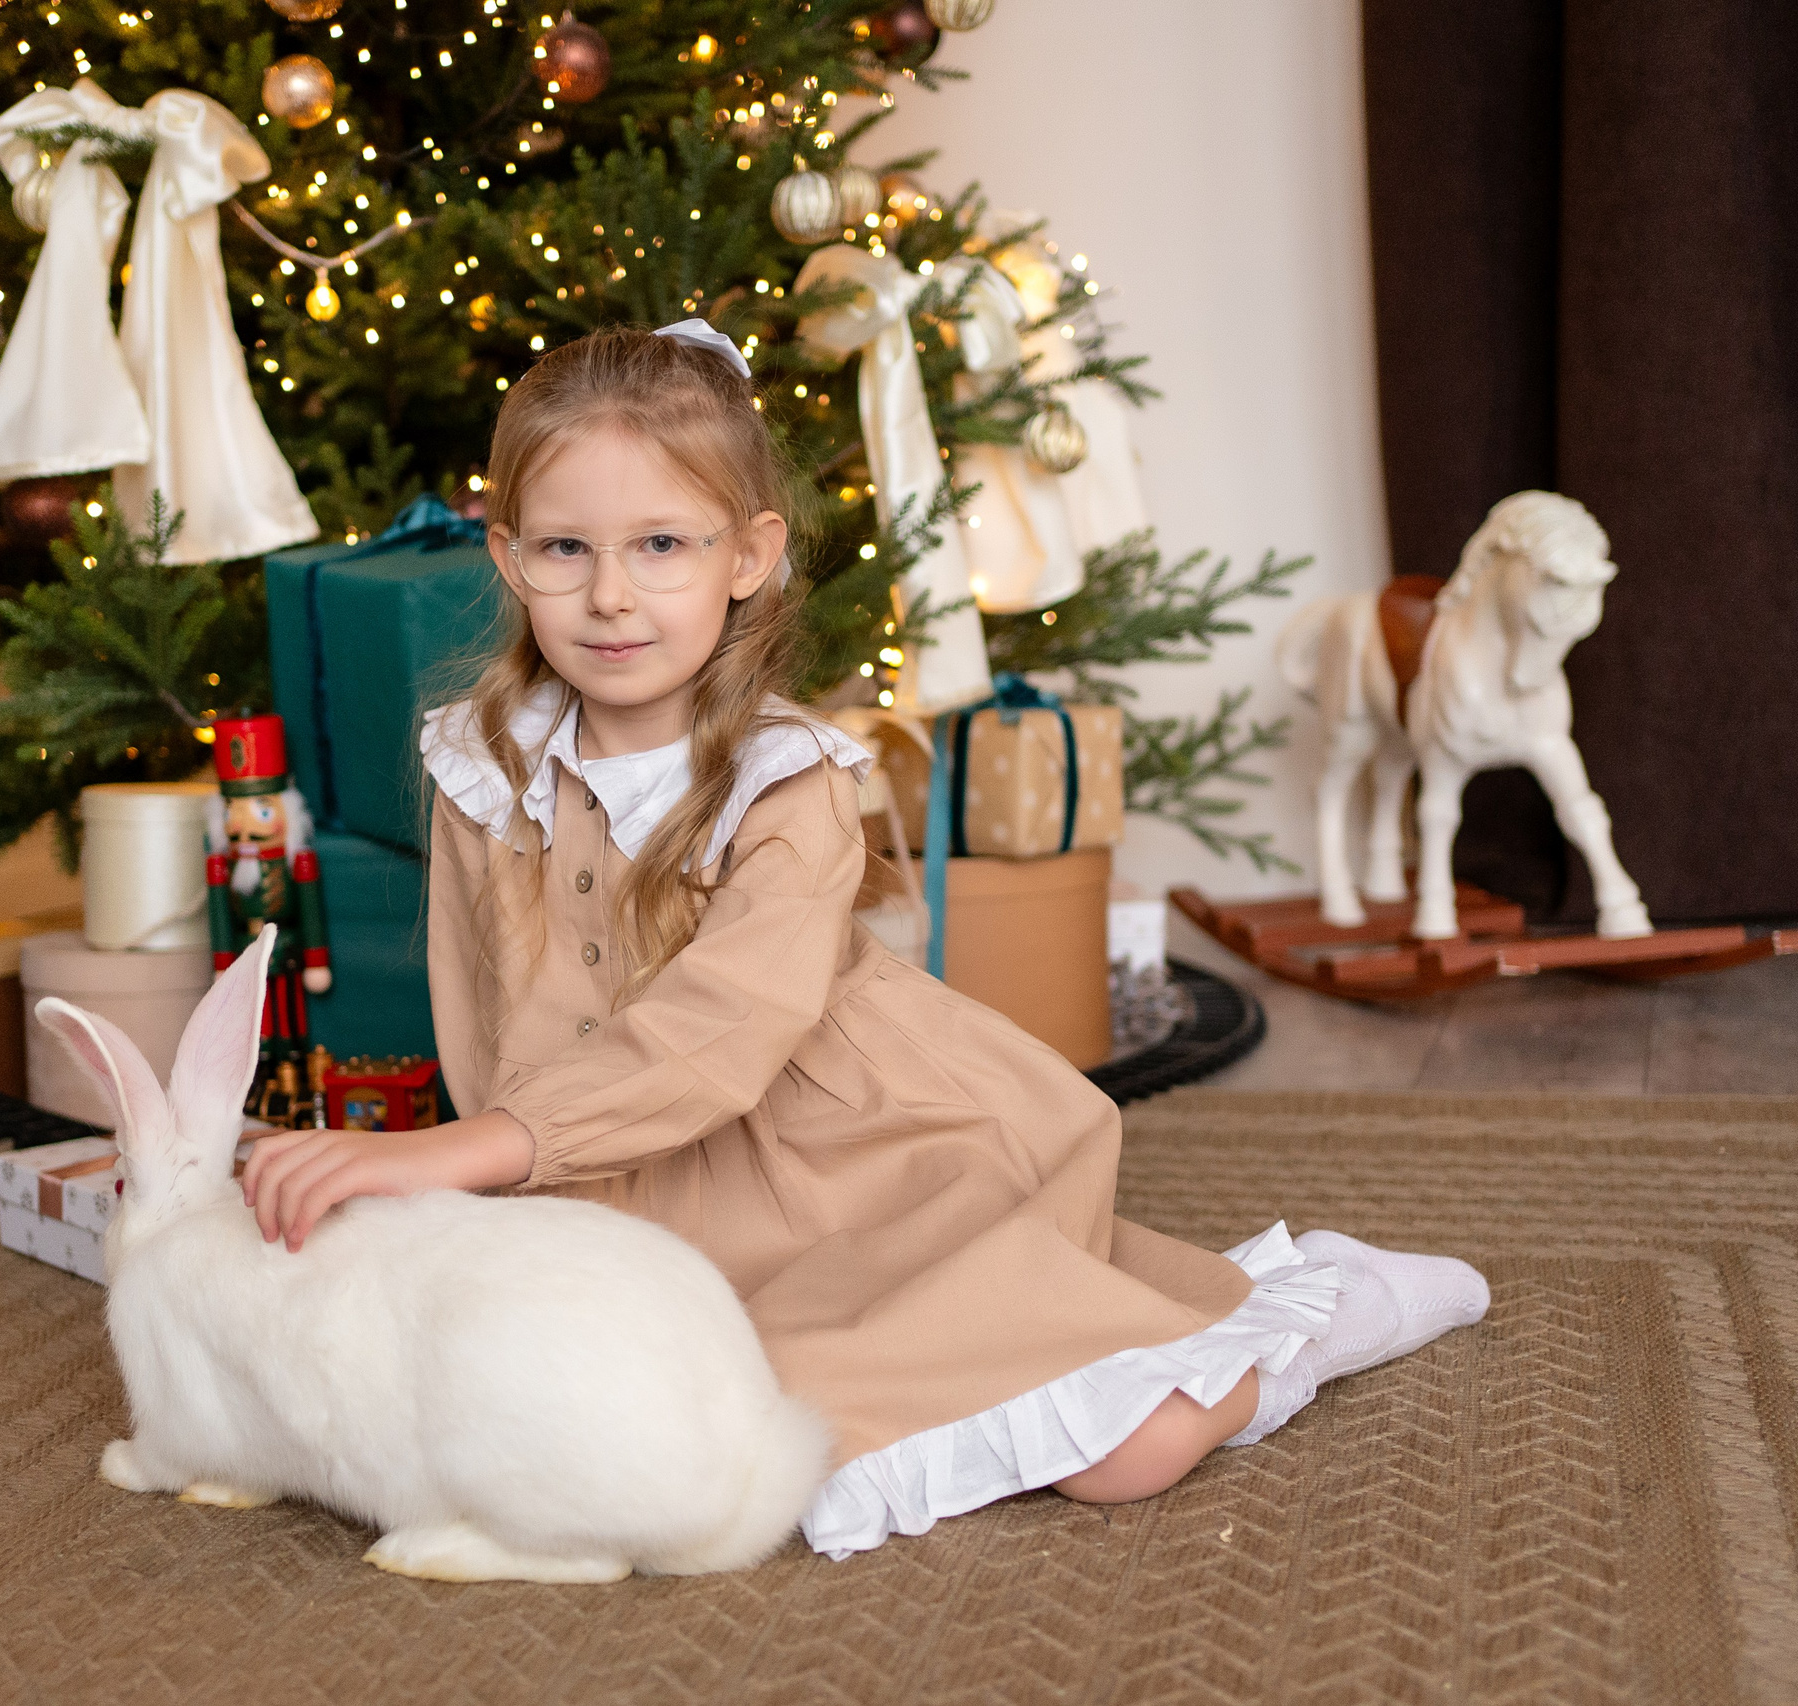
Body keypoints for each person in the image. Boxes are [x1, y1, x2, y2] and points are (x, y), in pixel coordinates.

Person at [238, 321, 1489, 1561]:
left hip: (853, 1164)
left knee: (1120, 1452)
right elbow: (485, 996)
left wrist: (475, 1151)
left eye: (661, 544)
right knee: (568, 1425)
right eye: (566, 548)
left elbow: (719, 1032)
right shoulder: (480, 760)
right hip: (600, 1181)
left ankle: (1324, 1308)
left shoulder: (789, 782)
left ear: (748, 554)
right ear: (507, 557)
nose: (610, 594)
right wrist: (495, 1185)